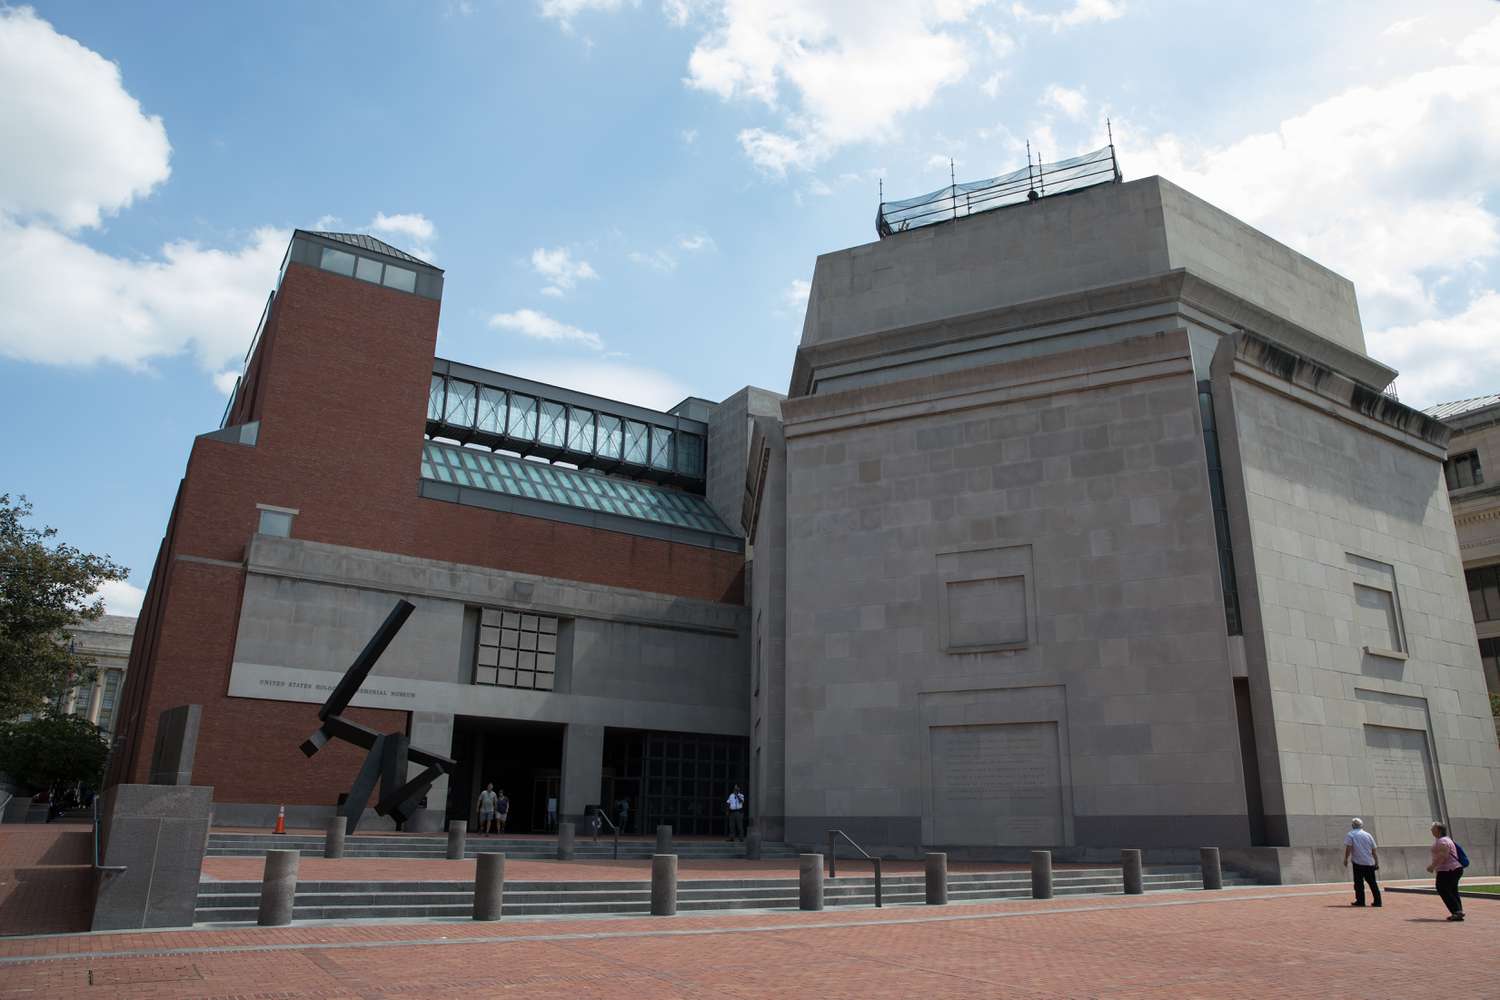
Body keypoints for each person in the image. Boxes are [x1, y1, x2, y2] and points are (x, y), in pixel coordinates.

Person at [1427, 821, 1465, 921]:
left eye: (1433, 828)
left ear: (1438, 830)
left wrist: (1432, 866)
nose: (1431, 830)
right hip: (1453, 869)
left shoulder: (1442, 841)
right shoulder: (1446, 839)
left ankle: (1457, 911)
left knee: (1442, 888)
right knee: (1452, 890)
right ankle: (1458, 912)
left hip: (1448, 870)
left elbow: (1443, 855)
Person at [1341, 817, 1380, 907]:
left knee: (1358, 883)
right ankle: (1378, 901)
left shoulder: (1351, 834)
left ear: (1352, 825)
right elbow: (1374, 850)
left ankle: (1360, 901)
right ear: (1361, 825)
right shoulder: (1368, 835)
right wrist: (1376, 862)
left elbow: (1349, 848)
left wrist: (1346, 859)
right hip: (1369, 863)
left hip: (1358, 862)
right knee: (1373, 883)